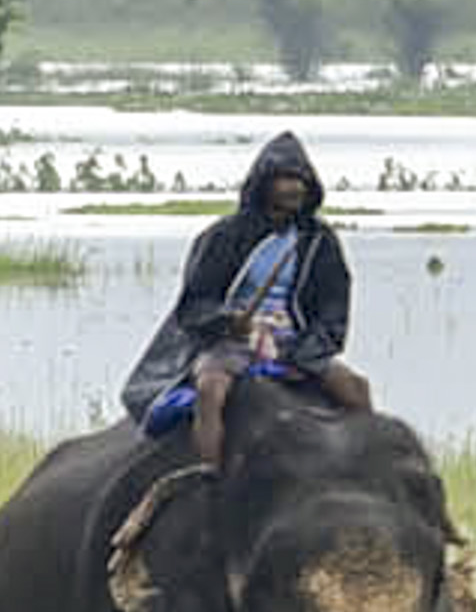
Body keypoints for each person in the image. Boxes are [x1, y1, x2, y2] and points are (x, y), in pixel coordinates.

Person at [136, 131, 377, 464]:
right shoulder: (224, 237)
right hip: (234, 342)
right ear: (265, 184)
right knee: (210, 391)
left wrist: (306, 349)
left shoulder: (318, 241)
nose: (295, 187)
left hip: (293, 343)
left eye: (301, 180)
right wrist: (228, 322)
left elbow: (333, 308)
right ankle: (209, 473)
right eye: (286, 179)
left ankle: (369, 471)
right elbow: (195, 303)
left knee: (355, 389)